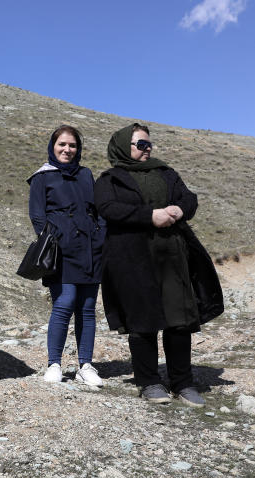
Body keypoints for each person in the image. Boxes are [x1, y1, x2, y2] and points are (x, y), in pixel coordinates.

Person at [94, 123, 223, 407]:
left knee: (179, 319)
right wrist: (149, 216)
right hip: (132, 259)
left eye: (149, 144)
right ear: (124, 147)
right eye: (141, 144)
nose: (147, 148)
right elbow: (108, 209)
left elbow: (189, 199)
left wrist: (180, 209)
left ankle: (183, 383)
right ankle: (149, 381)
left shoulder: (166, 173)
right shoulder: (110, 179)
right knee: (142, 321)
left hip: (172, 257)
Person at [27, 125, 106, 386]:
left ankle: (86, 365)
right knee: (64, 303)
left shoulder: (85, 174)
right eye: (62, 144)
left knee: (86, 308)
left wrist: (101, 235)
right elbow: (37, 215)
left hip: (90, 249)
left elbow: (97, 209)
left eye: (72, 145)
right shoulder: (42, 176)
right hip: (60, 251)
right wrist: (53, 238)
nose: (67, 150)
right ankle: (54, 364)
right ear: (53, 146)